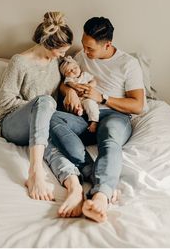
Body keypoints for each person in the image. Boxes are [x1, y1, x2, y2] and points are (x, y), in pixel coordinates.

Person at [49, 16, 146, 223]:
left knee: (110, 138)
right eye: (84, 45)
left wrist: (102, 98)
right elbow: (66, 83)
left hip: (114, 116)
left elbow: (138, 105)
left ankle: (101, 195)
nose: (85, 52)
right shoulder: (80, 57)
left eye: (90, 48)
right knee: (51, 118)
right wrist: (69, 92)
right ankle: (90, 170)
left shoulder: (128, 64)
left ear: (108, 44)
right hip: (83, 117)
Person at [0, 11, 77, 205]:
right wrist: (41, 108)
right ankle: (35, 172)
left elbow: (68, 64)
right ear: (49, 45)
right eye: (61, 51)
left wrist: (71, 79)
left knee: (51, 148)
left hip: (40, 125)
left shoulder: (56, 60)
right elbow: (4, 103)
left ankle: (75, 185)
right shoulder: (20, 62)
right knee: (46, 102)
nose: (64, 55)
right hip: (12, 123)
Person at [59, 55, 99, 132]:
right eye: (69, 71)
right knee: (67, 103)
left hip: (86, 98)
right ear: (65, 75)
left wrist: (89, 85)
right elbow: (70, 84)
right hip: (76, 99)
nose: (73, 71)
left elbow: (94, 81)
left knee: (90, 104)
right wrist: (75, 85)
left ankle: (94, 121)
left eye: (75, 68)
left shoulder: (85, 75)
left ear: (79, 66)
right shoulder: (69, 79)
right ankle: (78, 110)